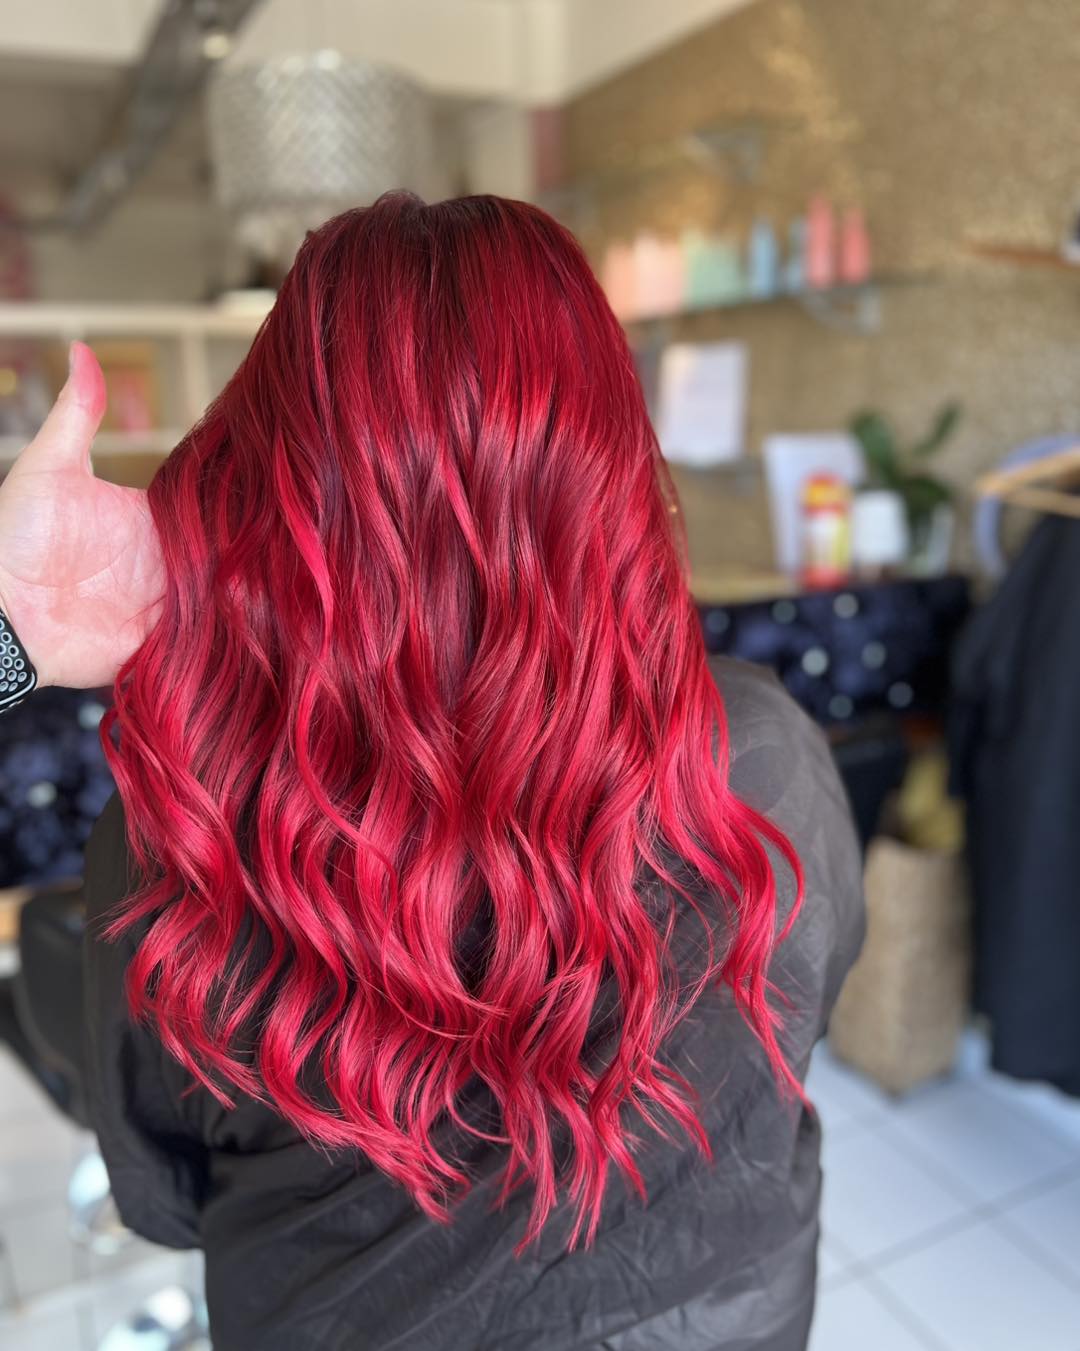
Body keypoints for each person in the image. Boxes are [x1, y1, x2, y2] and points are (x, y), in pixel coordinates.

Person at [0, 194, 863, 1351]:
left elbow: (161, 1200)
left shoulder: (185, 824)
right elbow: (800, 1025)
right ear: (611, 461)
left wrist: (8, 630)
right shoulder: (761, 756)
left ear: (269, 467)